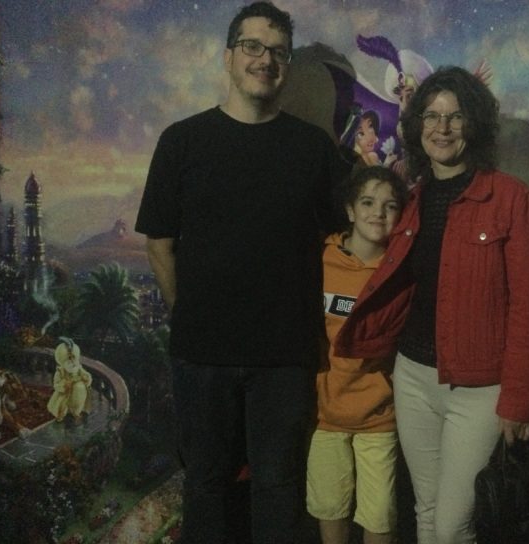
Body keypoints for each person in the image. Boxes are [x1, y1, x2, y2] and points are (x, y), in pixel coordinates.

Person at [134, 2, 346, 542]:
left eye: (278, 51)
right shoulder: (182, 141)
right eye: (253, 46)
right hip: (203, 354)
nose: (265, 60)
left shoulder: (313, 149)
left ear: (287, 66)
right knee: (205, 484)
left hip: (285, 358)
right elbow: (159, 244)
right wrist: (192, 315)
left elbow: (342, 242)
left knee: (279, 487)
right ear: (228, 57)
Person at [335, 66, 529, 543]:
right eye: (432, 116)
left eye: (455, 116)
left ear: (474, 124)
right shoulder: (411, 200)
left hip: (478, 391)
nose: (442, 127)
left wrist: (520, 400)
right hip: (412, 378)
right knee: (427, 511)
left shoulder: (512, 200)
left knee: (452, 527)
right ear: (418, 126)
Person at [307, 166, 407, 544]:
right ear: (350, 210)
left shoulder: (400, 272)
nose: (378, 213)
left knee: (379, 514)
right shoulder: (321, 259)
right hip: (324, 414)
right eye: (367, 202)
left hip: (379, 416)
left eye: (390, 206)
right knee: (329, 506)